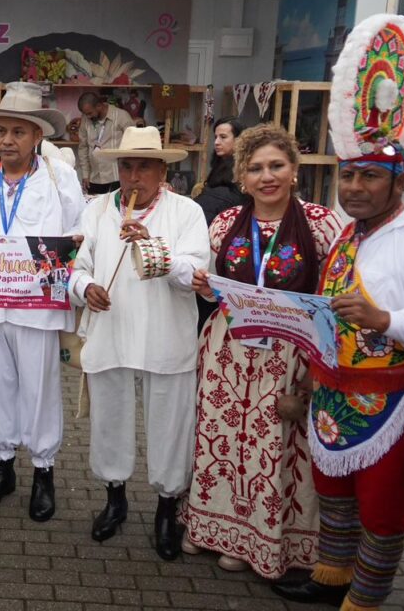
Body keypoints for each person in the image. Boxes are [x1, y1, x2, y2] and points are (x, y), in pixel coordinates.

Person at [272, 14, 404, 610]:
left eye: (369, 177)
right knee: (333, 491)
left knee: (381, 505)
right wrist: (307, 381)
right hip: (333, 392)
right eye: (348, 174)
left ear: (399, 181)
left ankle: (369, 595)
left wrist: (384, 321)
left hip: (390, 400)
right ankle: (332, 575)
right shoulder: (347, 237)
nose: (353, 187)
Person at [186, 124, 342, 577]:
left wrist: (316, 369)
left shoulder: (320, 222)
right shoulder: (224, 224)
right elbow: (218, 290)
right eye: (255, 168)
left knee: (272, 448)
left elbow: (330, 294)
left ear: (294, 170)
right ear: (242, 177)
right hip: (228, 352)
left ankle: (264, 542)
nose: (266, 176)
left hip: (288, 355)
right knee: (220, 442)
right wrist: (206, 287)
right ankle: (213, 528)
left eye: (276, 165)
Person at [69, 126, 208, 558]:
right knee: (110, 419)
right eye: (127, 166)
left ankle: (167, 508)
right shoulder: (95, 210)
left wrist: (152, 247)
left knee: (170, 423)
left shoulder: (186, 212)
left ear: (162, 169)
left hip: (165, 336)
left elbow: (193, 274)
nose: (133, 176)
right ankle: (115, 499)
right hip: (112, 332)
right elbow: (76, 265)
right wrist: (85, 286)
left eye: (144, 166)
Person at [0, 82, 85, 521]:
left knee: (38, 388)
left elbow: (79, 236)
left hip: (38, 306)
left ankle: (43, 471)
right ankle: (2, 467)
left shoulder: (60, 178)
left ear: (38, 137)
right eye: (2, 131)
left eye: (18, 131)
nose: (8, 140)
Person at [192, 116, 248, 332]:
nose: (216, 142)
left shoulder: (234, 180)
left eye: (223, 137)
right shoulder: (219, 171)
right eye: (215, 137)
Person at [77, 92, 134, 195]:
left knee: (117, 210)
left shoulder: (121, 116)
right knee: (95, 209)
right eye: (85, 114)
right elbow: (83, 148)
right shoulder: (85, 120)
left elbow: (134, 145)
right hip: (94, 178)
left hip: (117, 178)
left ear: (99, 106)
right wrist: (85, 174)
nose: (87, 117)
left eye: (89, 113)